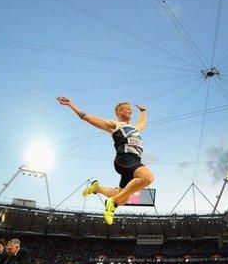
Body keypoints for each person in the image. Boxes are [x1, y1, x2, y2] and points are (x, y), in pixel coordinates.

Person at [57, 96, 155, 225]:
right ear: (118, 112)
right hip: (124, 159)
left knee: (123, 197)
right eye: (127, 109)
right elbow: (87, 117)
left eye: (131, 110)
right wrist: (71, 105)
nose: (130, 112)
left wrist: (143, 111)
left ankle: (97, 188)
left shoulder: (135, 128)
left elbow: (142, 123)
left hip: (134, 161)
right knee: (148, 178)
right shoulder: (114, 125)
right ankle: (113, 203)